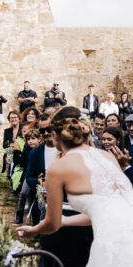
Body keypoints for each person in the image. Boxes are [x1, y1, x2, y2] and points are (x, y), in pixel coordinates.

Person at [17, 106, 133, 267]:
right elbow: (102, 211)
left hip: (82, 241)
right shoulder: (107, 156)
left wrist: (33, 230)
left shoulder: (58, 168)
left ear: (56, 136)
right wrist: (65, 220)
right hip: (118, 239)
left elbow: (52, 223)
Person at [13, 128, 42, 225]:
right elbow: (23, 164)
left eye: (33, 138)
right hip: (29, 176)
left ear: (39, 139)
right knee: (24, 193)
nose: (30, 141)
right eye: (28, 139)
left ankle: (36, 220)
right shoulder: (26, 151)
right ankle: (19, 215)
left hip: (40, 176)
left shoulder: (42, 151)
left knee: (36, 198)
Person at [2, 111, 21, 175]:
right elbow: (4, 145)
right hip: (10, 153)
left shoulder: (23, 129)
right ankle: (10, 174)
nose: (13, 119)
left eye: (15, 117)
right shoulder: (7, 131)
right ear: (9, 120)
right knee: (9, 154)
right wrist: (11, 145)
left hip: (20, 152)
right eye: (11, 118)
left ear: (19, 119)